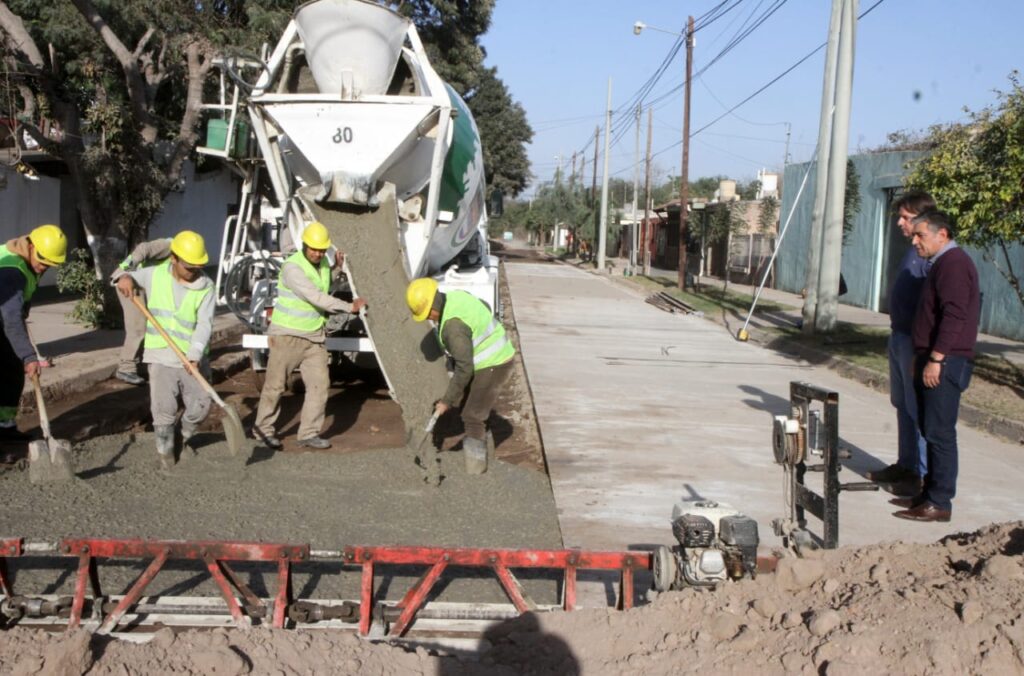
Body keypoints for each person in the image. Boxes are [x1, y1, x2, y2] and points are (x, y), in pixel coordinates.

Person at [891, 210, 980, 523]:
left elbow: (954, 316)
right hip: (932, 357)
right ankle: (927, 495)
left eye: (921, 235)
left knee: (940, 433)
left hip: (947, 361)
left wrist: (937, 358)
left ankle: (940, 501)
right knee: (929, 429)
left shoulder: (954, 265)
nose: (915, 241)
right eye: (914, 235)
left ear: (942, 235)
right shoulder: (940, 264)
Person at [253, 222, 365, 450]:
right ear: (304, 245)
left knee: (319, 386)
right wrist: (349, 307)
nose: (318, 253)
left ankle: (308, 433)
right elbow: (315, 297)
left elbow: (322, 284)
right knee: (275, 386)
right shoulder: (292, 268)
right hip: (287, 335)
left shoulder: (323, 262)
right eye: (314, 249)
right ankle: (263, 431)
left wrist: (335, 268)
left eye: (322, 249)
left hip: (314, 336)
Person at [114, 230, 215, 470]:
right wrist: (125, 277)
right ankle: (166, 457)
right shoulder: (153, 275)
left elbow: (204, 324)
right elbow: (120, 274)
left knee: (201, 404)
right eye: (188, 266)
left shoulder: (206, 286)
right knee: (163, 411)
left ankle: (183, 435)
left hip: (192, 357)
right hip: (159, 354)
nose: (193, 271)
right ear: (174, 259)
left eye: (197, 266)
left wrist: (195, 354)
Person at [405, 277, 515, 474]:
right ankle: (486, 457)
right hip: (493, 356)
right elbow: (484, 306)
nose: (429, 318)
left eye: (427, 315)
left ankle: (475, 470)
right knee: (474, 407)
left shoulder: (453, 327)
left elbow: (464, 367)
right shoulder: (455, 297)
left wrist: (446, 401)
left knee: (472, 415)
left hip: (494, 362)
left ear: (432, 308)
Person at [867, 191, 936, 494]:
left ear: (924, 219)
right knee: (902, 405)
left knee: (916, 407)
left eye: (906, 217)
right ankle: (906, 464)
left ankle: (921, 474)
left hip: (914, 341)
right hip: (898, 336)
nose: (900, 223)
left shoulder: (930, 255)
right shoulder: (912, 251)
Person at [0, 225, 67, 441]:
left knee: (11, 369)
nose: (42, 267)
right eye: (41, 260)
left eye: (49, 265)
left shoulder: (28, 260)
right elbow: (10, 318)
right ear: (31, 246)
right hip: (4, 317)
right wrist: (29, 356)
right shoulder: (12, 269)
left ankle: (5, 426)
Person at [112, 238, 172, 385]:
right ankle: (126, 368)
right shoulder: (171, 245)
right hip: (130, 283)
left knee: (151, 327)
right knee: (138, 327)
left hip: (147, 285)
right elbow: (143, 248)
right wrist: (123, 273)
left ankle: (142, 364)